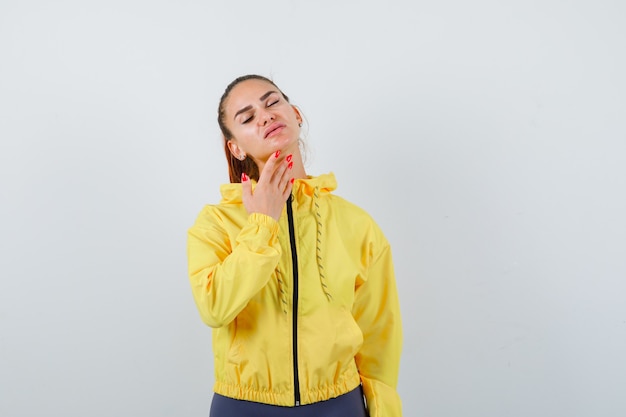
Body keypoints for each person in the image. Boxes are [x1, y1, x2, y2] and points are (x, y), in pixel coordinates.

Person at [187, 74, 403, 417]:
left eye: (272, 102)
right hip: (244, 407)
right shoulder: (214, 224)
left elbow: (379, 335)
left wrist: (383, 410)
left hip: (340, 405)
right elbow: (214, 307)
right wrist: (263, 223)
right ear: (236, 147)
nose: (265, 115)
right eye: (247, 117)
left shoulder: (356, 224)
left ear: (296, 114)